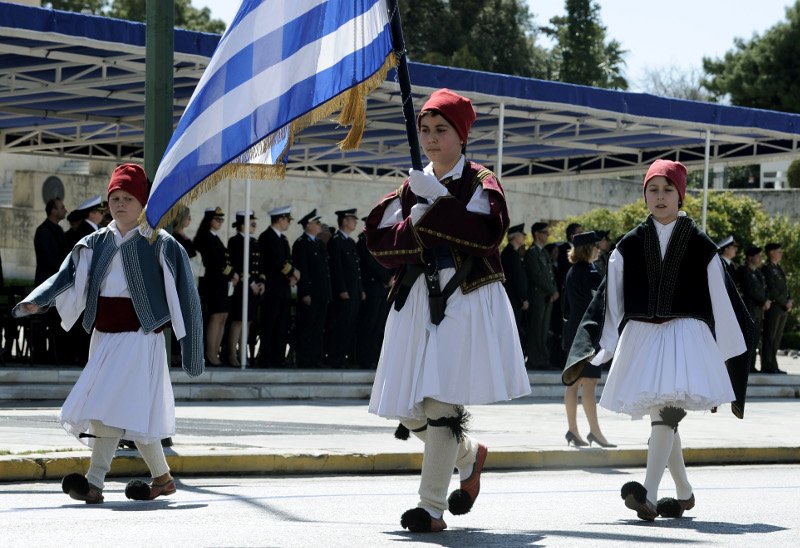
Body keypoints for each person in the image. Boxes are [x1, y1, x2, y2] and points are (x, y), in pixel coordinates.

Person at [364, 88, 530, 533]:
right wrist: (414, 220)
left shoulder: (481, 181)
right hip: (416, 300)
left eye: (441, 130)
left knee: (440, 402)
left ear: (462, 136)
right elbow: (378, 244)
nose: (431, 139)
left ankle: (431, 507)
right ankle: (468, 454)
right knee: (406, 409)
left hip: (464, 299)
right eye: (425, 130)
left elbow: (485, 236)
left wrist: (436, 201)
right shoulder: (409, 186)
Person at [563, 159, 753, 521]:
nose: (660, 196)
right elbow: (611, 299)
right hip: (644, 337)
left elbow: (722, 300)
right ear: (644, 195)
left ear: (681, 196)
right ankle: (683, 494)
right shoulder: (630, 244)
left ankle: (648, 495)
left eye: (668, 190)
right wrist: (600, 347)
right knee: (663, 414)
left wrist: (729, 354)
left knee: (665, 411)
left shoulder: (700, 244)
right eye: (653, 189)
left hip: (685, 336)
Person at [12, 163, 203, 504]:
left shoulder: (160, 241)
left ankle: (95, 481)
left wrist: (192, 348)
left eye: (128, 197)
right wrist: (38, 301)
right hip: (104, 336)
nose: (119, 203)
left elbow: (185, 293)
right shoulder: (96, 241)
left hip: (140, 336)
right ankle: (162, 478)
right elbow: (68, 275)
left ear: (143, 202)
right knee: (128, 406)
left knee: (109, 405)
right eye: (114, 197)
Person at [561, 231, 614, 448]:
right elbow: (600, 305)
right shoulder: (591, 273)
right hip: (588, 334)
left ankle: (573, 431)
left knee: (574, 383)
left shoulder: (572, 271)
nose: (599, 249)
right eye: (595, 246)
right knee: (590, 383)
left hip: (573, 330)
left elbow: (566, 308)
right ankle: (595, 432)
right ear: (587, 249)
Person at [194, 207, 238, 366]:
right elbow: (215, 262)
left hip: (221, 283)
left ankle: (215, 351)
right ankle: (210, 352)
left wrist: (231, 274)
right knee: (216, 316)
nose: (220, 222)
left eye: (221, 220)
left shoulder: (215, 238)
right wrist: (232, 273)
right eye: (217, 219)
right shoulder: (205, 237)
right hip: (213, 283)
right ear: (209, 220)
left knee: (223, 317)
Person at [257, 205, 298, 368]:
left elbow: (287, 258)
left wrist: (292, 277)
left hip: (284, 288)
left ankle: (278, 357)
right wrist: (293, 273)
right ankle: (265, 357)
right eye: (287, 220)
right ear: (280, 219)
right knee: (269, 324)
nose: (288, 223)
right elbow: (276, 261)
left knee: (282, 325)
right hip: (272, 287)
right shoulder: (267, 237)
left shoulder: (283, 238)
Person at [292, 209, 331, 368]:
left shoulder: (319, 243)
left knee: (318, 328)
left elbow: (324, 271)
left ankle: (315, 358)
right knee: (307, 327)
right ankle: (305, 359)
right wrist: (306, 293)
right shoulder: (301, 243)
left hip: (321, 293)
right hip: (310, 294)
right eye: (316, 223)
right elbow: (304, 270)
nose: (319, 225)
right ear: (308, 225)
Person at [326, 208, 363, 368]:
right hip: (344, 292)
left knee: (349, 326)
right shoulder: (336, 241)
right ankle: (335, 357)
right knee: (340, 326)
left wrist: (360, 289)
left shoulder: (350, 242)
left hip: (354, 291)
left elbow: (356, 270)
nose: (355, 222)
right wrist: (342, 289)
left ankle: (343, 356)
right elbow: (337, 268)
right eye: (352, 219)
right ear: (344, 221)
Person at [228, 211, 265, 366]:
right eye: (252, 224)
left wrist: (261, 282)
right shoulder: (235, 241)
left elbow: (259, 264)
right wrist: (251, 283)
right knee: (238, 321)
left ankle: (243, 354)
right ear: (243, 225)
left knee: (248, 322)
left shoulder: (254, 242)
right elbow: (238, 264)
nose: (254, 226)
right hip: (242, 287)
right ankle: (231, 354)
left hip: (253, 289)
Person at [355, 223, 393, 368]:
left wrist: (390, 278)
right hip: (372, 289)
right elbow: (372, 264)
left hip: (381, 290)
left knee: (378, 326)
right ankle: (364, 359)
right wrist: (386, 278)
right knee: (368, 325)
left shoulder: (378, 244)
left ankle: (372, 358)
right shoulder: (365, 244)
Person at [525, 222, 558, 369]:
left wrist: (554, 290)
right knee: (536, 329)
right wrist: (552, 290)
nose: (547, 235)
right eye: (545, 232)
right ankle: (534, 359)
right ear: (537, 234)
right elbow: (537, 276)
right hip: (538, 297)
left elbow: (550, 275)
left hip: (547, 297)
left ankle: (543, 359)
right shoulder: (531, 252)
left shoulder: (543, 252)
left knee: (544, 330)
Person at [761, 242, 792, 374]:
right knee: (769, 337)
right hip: (774, 307)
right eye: (779, 251)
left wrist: (789, 300)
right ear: (772, 253)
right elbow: (772, 289)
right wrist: (785, 302)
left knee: (777, 338)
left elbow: (785, 288)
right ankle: (767, 365)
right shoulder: (767, 268)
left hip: (783, 308)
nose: (781, 253)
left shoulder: (778, 268)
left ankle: (774, 365)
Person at [739, 246, 770, 373]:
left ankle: (752, 366)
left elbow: (765, 289)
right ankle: (746, 366)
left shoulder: (758, 272)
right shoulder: (744, 271)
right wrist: (763, 301)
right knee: (748, 339)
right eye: (757, 256)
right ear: (750, 257)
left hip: (759, 311)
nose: (760, 258)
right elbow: (749, 290)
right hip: (750, 309)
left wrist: (766, 300)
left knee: (755, 340)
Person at [501, 223, 529, 349]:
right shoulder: (510, 254)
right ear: (515, 237)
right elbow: (515, 279)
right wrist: (523, 298)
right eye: (522, 235)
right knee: (513, 327)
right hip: (513, 298)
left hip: (514, 298)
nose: (524, 237)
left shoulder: (513, 253)